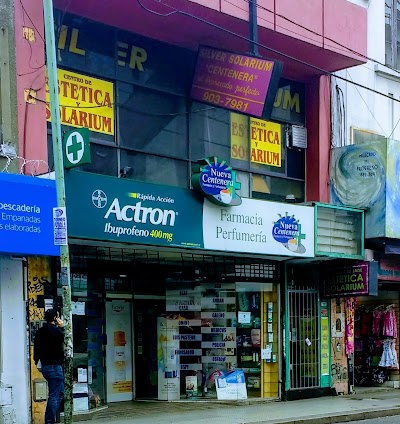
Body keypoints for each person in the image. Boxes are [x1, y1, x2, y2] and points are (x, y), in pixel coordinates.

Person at [34, 308, 65, 424]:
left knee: (59, 392)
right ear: (55, 318)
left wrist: (37, 361)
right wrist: (62, 327)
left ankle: (50, 419)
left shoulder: (40, 331)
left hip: (46, 367)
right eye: (58, 316)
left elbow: (36, 349)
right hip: (54, 367)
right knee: (55, 395)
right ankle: (49, 421)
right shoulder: (56, 332)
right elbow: (65, 340)